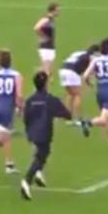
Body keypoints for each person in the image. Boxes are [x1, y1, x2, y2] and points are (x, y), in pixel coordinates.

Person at [19, 71, 72, 200]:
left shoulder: (30, 100)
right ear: (46, 84)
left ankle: (38, 174)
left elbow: (25, 117)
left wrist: (29, 131)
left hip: (32, 132)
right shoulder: (51, 99)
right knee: (41, 157)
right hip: (45, 132)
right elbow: (67, 114)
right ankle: (27, 181)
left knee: (42, 154)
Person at [80, 37, 108, 151]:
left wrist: (89, 83)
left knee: (106, 119)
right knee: (103, 119)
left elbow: (85, 76)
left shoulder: (95, 61)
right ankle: (87, 123)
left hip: (99, 92)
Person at [59, 44, 98, 127]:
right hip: (72, 71)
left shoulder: (79, 53)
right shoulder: (93, 58)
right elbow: (88, 72)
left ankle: (67, 117)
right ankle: (78, 119)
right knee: (77, 95)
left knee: (70, 94)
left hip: (63, 70)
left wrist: (87, 81)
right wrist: (89, 81)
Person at [34, 2, 60, 73]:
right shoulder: (46, 19)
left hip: (50, 47)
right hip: (46, 47)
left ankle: (39, 79)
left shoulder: (51, 20)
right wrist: (44, 36)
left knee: (49, 70)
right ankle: (41, 82)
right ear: (53, 10)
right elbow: (36, 28)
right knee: (46, 71)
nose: (59, 12)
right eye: (57, 10)